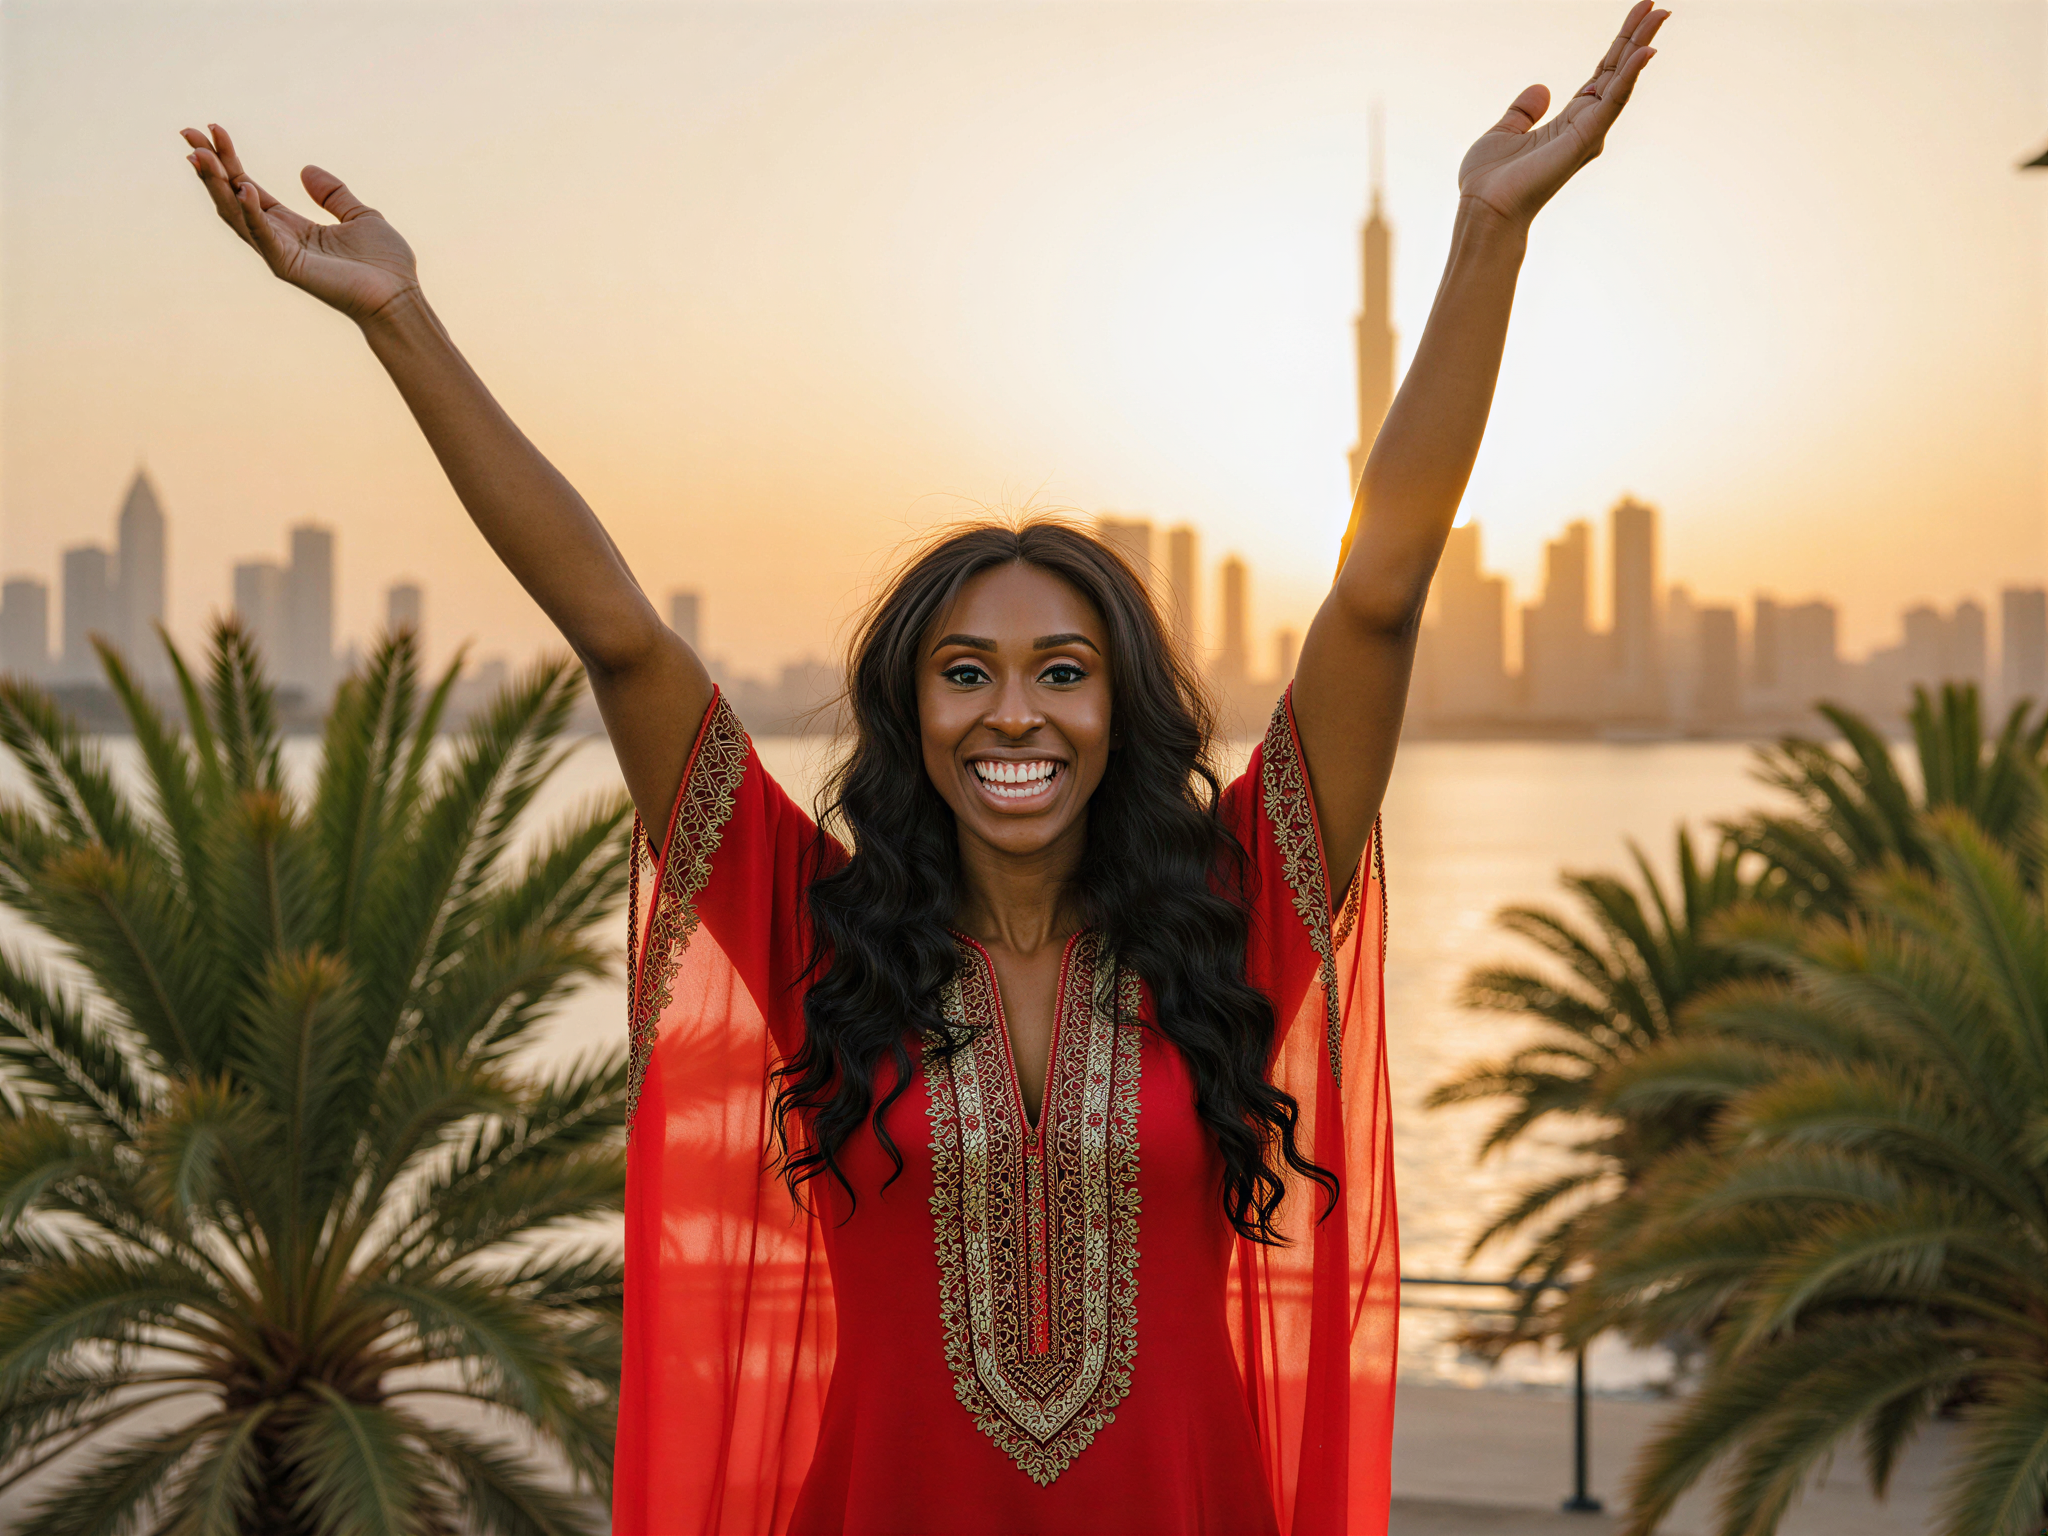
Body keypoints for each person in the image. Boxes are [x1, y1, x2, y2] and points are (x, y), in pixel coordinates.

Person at [181, 6, 1665, 1530]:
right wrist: (397, 318)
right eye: (965, 674)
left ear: (1124, 711)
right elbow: (620, 638)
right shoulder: (809, 929)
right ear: (909, 715)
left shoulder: (1241, 919)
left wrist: (1489, 232)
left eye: (1061, 674)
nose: (1011, 715)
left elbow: (1378, 592)